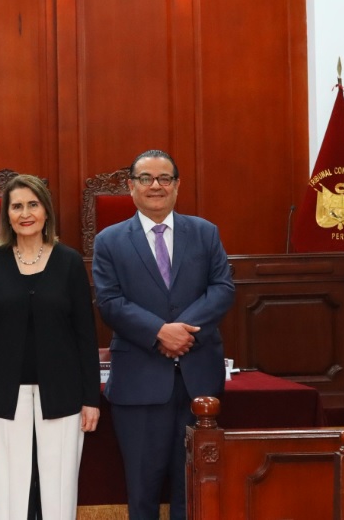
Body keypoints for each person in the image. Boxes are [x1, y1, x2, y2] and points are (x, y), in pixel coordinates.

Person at [91, 150, 235, 520]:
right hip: (139, 382)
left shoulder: (205, 232)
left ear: (177, 185)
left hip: (198, 382)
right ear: (131, 186)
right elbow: (109, 301)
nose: (155, 186)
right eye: (146, 178)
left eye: (164, 178)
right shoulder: (109, 240)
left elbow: (222, 289)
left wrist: (181, 331)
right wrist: (159, 333)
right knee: (142, 489)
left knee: (195, 485)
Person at [0, 174, 101, 520]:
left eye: (32, 204)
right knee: (10, 490)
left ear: (46, 211)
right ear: (7, 215)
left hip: (64, 394)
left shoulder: (69, 262)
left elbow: (86, 334)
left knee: (59, 488)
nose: (25, 213)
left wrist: (91, 398)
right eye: (16, 206)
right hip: (2, 394)